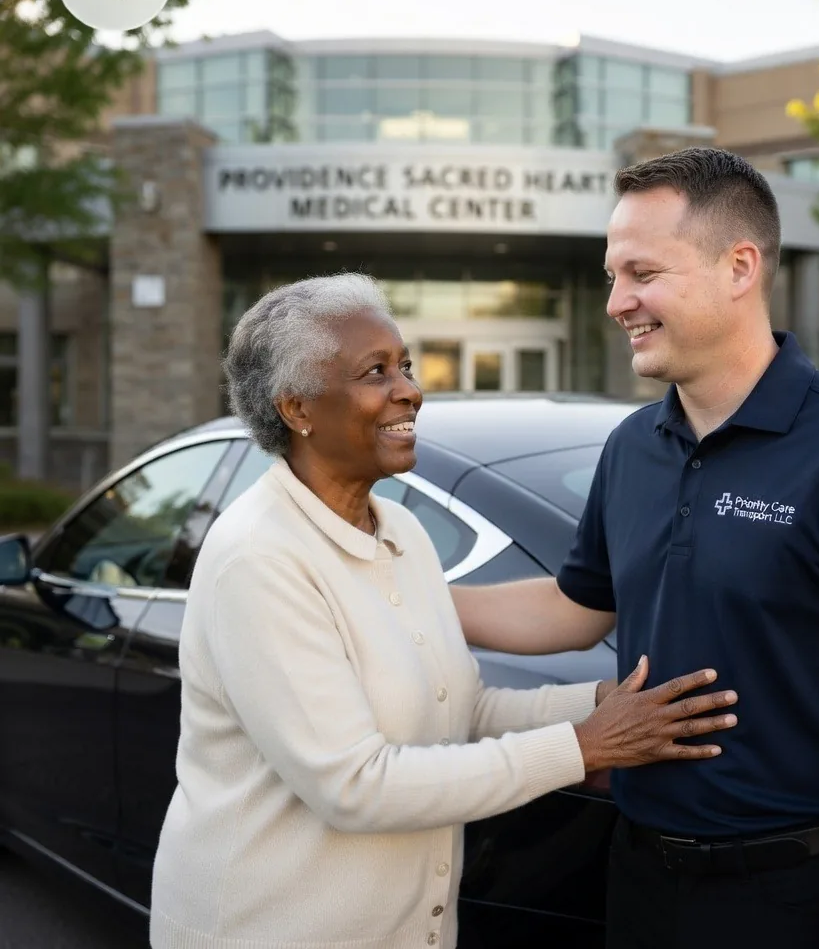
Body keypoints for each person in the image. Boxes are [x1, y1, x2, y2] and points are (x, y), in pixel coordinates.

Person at [450, 149, 819, 949]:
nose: (617, 302)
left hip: (797, 898)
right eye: (610, 277)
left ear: (739, 268)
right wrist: (403, 595)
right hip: (637, 881)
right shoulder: (632, 446)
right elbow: (574, 607)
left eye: (642, 274)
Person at [148, 273, 740, 949]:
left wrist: (603, 701)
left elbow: (461, 709)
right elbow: (356, 785)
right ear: (297, 408)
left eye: (404, 364)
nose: (410, 389)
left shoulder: (399, 531)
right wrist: (583, 747)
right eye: (377, 371)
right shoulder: (258, 559)